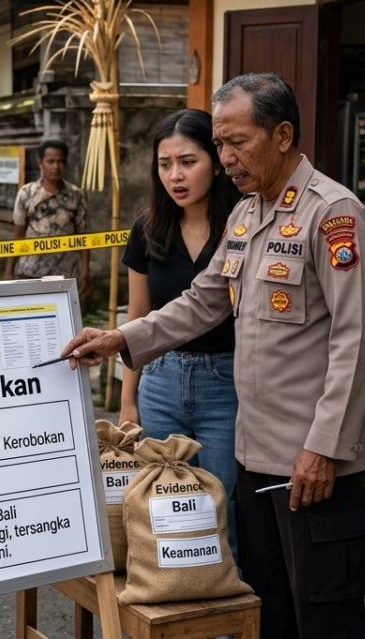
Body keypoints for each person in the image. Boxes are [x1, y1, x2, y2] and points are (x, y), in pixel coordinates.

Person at [60, 74, 365, 639]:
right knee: (268, 603)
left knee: (326, 614)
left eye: (238, 143)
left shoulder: (333, 215)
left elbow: (355, 342)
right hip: (255, 453)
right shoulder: (247, 215)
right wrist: (121, 338)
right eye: (222, 144)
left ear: (282, 135)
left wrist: (324, 448)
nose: (226, 158)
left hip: (313, 462)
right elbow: (202, 302)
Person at [118, 109, 244, 555]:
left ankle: (225, 622)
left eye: (188, 161)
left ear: (215, 159)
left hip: (226, 386)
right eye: (165, 163)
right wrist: (128, 401)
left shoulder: (243, 227)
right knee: (164, 516)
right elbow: (138, 319)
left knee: (220, 513)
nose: (176, 175)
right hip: (159, 384)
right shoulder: (148, 228)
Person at [4, 139, 89, 292]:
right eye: (50, 161)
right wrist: (9, 271)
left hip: (66, 274)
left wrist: (85, 271)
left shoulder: (76, 195)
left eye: (60, 162)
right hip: (31, 272)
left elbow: (84, 236)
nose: (56, 167)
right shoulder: (26, 193)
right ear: (40, 163)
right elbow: (18, 235)